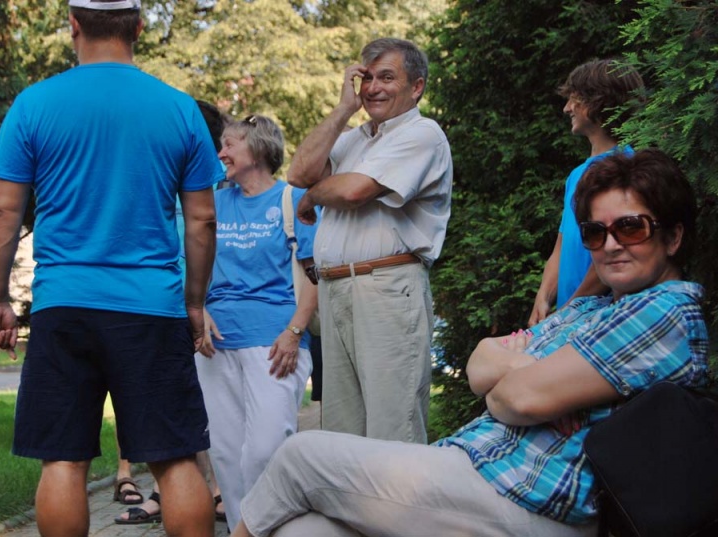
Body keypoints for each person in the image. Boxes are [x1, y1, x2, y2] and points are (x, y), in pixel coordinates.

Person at [229, 148, 708, 537]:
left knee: (302, 457)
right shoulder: (591, 307)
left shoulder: (670, 308)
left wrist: (523, 378)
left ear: (672, 237)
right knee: (308, 531)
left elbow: (512, 397)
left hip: (534, 500)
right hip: (478, 472)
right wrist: (534, 381)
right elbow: (481, 364)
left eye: (631, 227)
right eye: (595, 232)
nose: (610, 244)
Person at [0, 1, 223, 536]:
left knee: (64, 459)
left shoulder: (34, 103)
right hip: (151, 305)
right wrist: (194, 302)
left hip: (63, 302)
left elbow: (2, 210)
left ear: (72, 24)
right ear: (138, 27)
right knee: (176, 456)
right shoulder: (179, 108)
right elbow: (202, 219)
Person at [288, 37, 453, 444]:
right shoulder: (354, 137)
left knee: (392, 430)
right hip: (336, 290)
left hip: (386, 289)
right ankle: (353, 510)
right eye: (367, 78)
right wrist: (344, 108)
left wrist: (312, 195)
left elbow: (354, 190)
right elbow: (299, 171)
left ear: (416, 86)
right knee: (343, 436)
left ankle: (401, 509)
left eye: (387, 77)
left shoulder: (422, 133)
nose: (374, 87)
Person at [194, 115, 317, 531]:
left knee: (265, 450)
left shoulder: (293, 199)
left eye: (229, 145)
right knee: (226, 454)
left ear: (258, 148)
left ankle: (269, 528)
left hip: (274, 342)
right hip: (214, 344)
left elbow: (316, 273)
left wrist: (295, 331)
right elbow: (188, 261)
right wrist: (198, 307)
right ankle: (239, 530)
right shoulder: (211, 200)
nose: (221, 153)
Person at [114, 99, 227, 525]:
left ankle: (213, 488)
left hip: (195, 307)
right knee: (165, 417)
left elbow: (210, 240)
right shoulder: (156, 179)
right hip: (159, 305)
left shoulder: (213, 187)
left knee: (188, 416)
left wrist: (201, 303)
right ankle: (162, 490)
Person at [529, 58, 645, 326]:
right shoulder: (576, 175)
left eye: (574, 99)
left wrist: (568, 312)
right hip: (570, 319)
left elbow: (612, 249)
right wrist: (543, 298)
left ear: (598, 101)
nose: (567, 108)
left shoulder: (627, 168)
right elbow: (561, 247)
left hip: (601, 319)